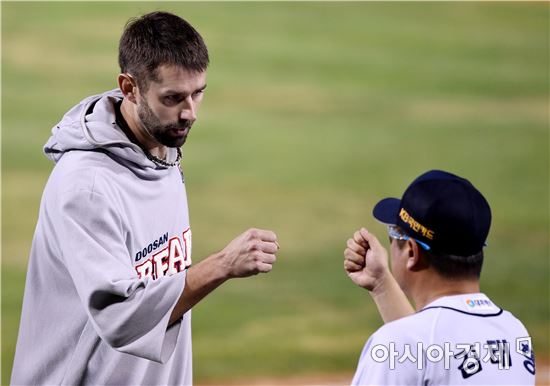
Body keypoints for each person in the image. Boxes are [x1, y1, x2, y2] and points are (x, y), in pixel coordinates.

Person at [11, 11, 279, 385]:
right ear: (129, 87)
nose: (190, 112)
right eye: (173, 97)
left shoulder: (161, 148)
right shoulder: (86, 187)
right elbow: (123, 316)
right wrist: (221, 265)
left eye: (198, 92)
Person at [344, 170, 535, 385]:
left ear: (412, 252)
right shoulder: (514, 334)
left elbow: (419, 346)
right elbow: (429, 347)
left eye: (394, 234)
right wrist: (381, 285)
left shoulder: (393, 346)